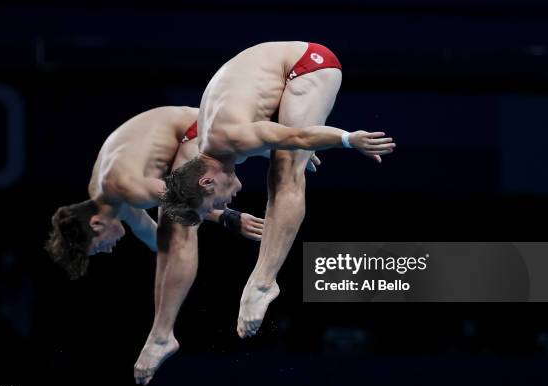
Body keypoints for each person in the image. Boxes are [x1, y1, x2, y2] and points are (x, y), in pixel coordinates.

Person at [163, 42, 395, 339]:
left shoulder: (232, 138)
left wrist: (349, 140)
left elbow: (296, 135)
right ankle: (261, 281)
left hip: (309, 64)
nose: (224, 204)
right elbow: (265, 139)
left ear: (206, 182)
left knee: (285, 169)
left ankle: (263, 282)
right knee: (285, 152)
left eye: (213, 205)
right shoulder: (208, 147)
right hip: (276, 68)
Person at [43, 106, 264, 385]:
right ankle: (162, 333)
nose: (109, 250)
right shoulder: (106, 196)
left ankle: (161, 336)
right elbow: (154, 239)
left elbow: (186, 204)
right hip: (187, 131)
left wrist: (228, 218)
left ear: (96, 224)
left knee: (179, 226)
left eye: (98, 247)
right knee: (169, 236)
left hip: (199, 128)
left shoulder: (125, 187)